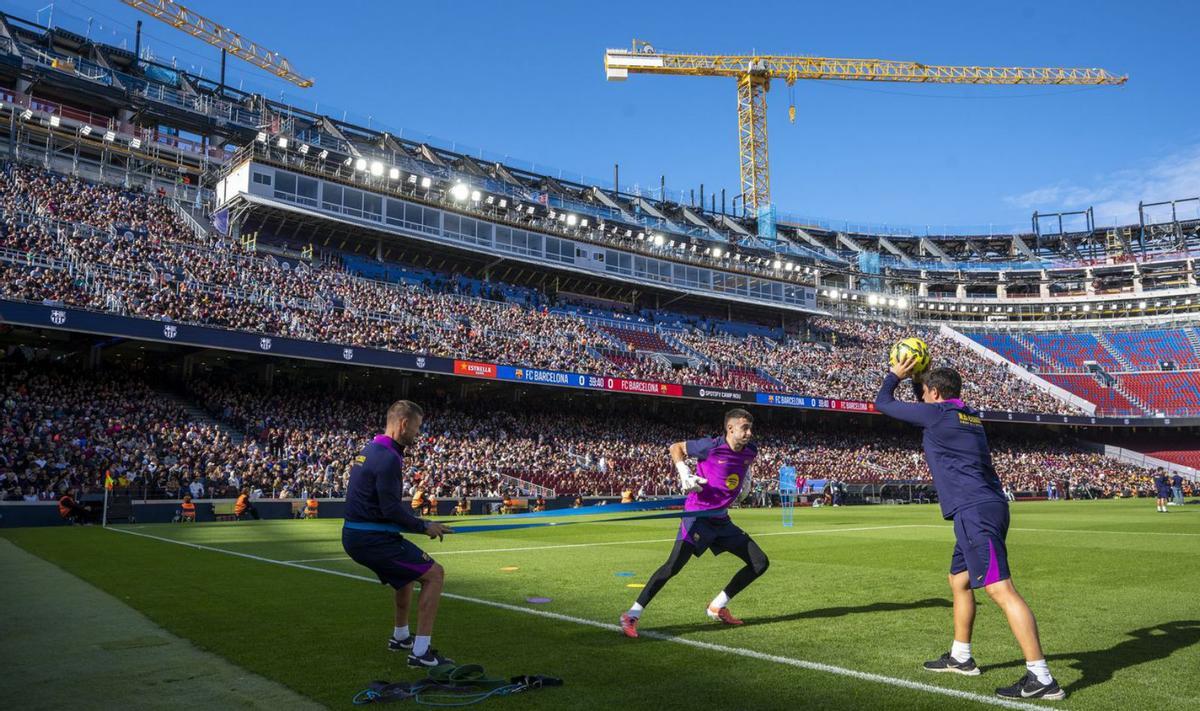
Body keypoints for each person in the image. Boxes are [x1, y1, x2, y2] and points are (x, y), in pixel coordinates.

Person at [876, 357, 1064, 701]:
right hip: (983, 507)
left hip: (975, 511)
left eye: (925, 392)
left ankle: (1041, 677)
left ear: (933, 393)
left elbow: (883, 403)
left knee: (1000, 590)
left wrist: (896, 375)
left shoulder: (937, 414)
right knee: (959, 581)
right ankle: (961, 657)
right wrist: (921, 379)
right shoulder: (968, 414)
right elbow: (932, 402)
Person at [620, 408, 767, 638]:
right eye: (744, 428)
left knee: (759, 562)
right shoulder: (710, 446)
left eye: (750, 428)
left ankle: (716, 606)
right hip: (697, 517)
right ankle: (632, 615)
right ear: (730, 428)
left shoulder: (751, 451)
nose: (749, 433)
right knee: (672, 567)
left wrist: (745, 483)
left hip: (722, 520)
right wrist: (684, 472)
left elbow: (745, 466)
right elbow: (675, 447)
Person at [342, 400, 455, 668]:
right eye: (417, 427)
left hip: (362, 535)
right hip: (371, 539)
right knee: (434, 574)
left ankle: (401, 637)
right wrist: (424, 525)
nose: (418, 433)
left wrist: (419, 523)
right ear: (403, 424)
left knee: (407, 576)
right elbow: (390, 509)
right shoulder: (388, 457)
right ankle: (421, 653)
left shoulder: (372, 449)